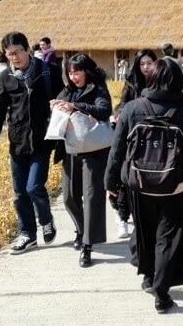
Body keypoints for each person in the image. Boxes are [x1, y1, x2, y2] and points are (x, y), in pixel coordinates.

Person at [105, 57, 183, 314]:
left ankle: (149, 277)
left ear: (151, 78)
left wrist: (111, 181)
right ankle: (161, 292)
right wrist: (180, 165)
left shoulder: (132, 108)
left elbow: (117, 151)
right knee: (169, 238)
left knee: (145, 233)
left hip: (139, 185)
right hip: (175, 186)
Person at [0, 32, 64, 255]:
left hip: (41, 140)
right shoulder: (6, 76)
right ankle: (27, 234)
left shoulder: (48, 71)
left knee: (34, 187)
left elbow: (64, 97)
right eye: (9, 54)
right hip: (18, 140)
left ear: (28, 50)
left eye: (17, 52)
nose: (14, 58)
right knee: (20, 192)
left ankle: (46, 219)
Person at [51, 54, 112, 268]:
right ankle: (82, 229)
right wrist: (57, 106)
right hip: (71, 150)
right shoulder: (67, 91)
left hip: (94, 150)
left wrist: (75, 106)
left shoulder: (98, 88)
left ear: (87, 71)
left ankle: (87, 246)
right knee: (69, 196)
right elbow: (59, 110)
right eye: (70, 72)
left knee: (93, 197)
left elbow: (105, 110)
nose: (73, 76)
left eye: (77, 71)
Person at [110, 49, 158, 239]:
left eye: (150, 63)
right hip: (133, 135)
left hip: (155, 137)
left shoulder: (161, 81)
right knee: (126, 178)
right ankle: (122, 216)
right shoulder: (132, 83)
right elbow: (122, 104)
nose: (146, 67)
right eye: (142, 64)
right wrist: (121, 113)